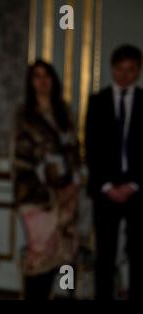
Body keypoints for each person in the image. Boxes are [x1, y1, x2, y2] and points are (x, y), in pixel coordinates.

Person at [12, 59, 80, 299]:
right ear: (31, 83)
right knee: (40, 255)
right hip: (36, 198)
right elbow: (22, 161)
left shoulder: (65, 112)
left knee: (66, 255)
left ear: (54, 80)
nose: (42, 81)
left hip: (68, 195)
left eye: (46, 76)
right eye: (37, 77)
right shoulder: (25, 116)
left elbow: (74, 154)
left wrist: (72, 186)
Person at [85, 44, 143, 300]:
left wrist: (134, 184)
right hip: (104, 190)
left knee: (139, 253)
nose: (125, 75)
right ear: (112, 69)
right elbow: (91, 147)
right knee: (104, 256)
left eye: (131, 70)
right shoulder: (97, 102)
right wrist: (107, 185)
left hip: (138, 190)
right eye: (120, 69)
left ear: (138, 71)